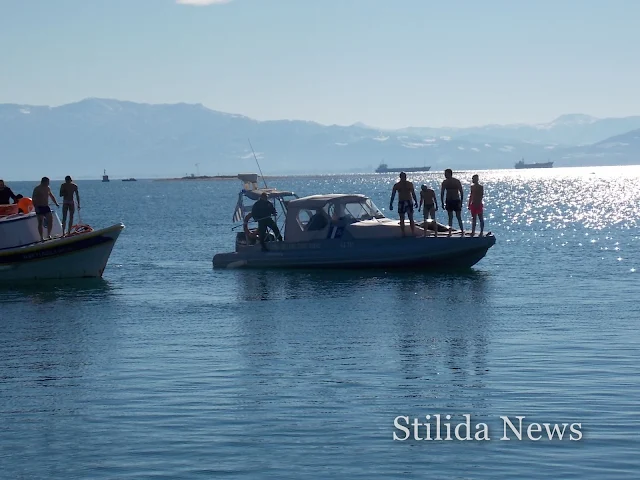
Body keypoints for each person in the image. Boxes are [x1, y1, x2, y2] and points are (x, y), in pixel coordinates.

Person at [389, 172, 418, 236]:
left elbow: (413, 193)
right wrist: (391, 204)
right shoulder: (397, 185)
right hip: (401, 201)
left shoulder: (409, 184)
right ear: (400, 177)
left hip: (409, 201)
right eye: (402, 177)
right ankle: (403, 233)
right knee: (402, 218)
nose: (403, 178)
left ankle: (413, 232)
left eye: (404, 177)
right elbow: (393, 195)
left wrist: (416, 201)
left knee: (411, 217)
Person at [32, 177, 60, 241]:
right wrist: (36, 207)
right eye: (47, 182)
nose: (48, 183)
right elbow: (34, 199)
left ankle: (48, 234)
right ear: (43, 182)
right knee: (40, 222)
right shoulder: (37, 189)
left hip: (46, 206)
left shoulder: (48, 188)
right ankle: (41, 237)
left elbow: (51, 196)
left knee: (50, 220)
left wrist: (56, 203)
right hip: (39, 207)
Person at [440, 169, 465, 236]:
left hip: (456, 200)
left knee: (458, 216)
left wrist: (461, 202)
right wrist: (442, 202)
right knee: (450, 217)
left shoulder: (456, 181)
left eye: (446, 173)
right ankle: (450, 232)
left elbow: (461, 192)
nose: (445, 175)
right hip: (449, 200)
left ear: (449, 173)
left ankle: (462, 231)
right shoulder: (445, 182)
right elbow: (442, 193)